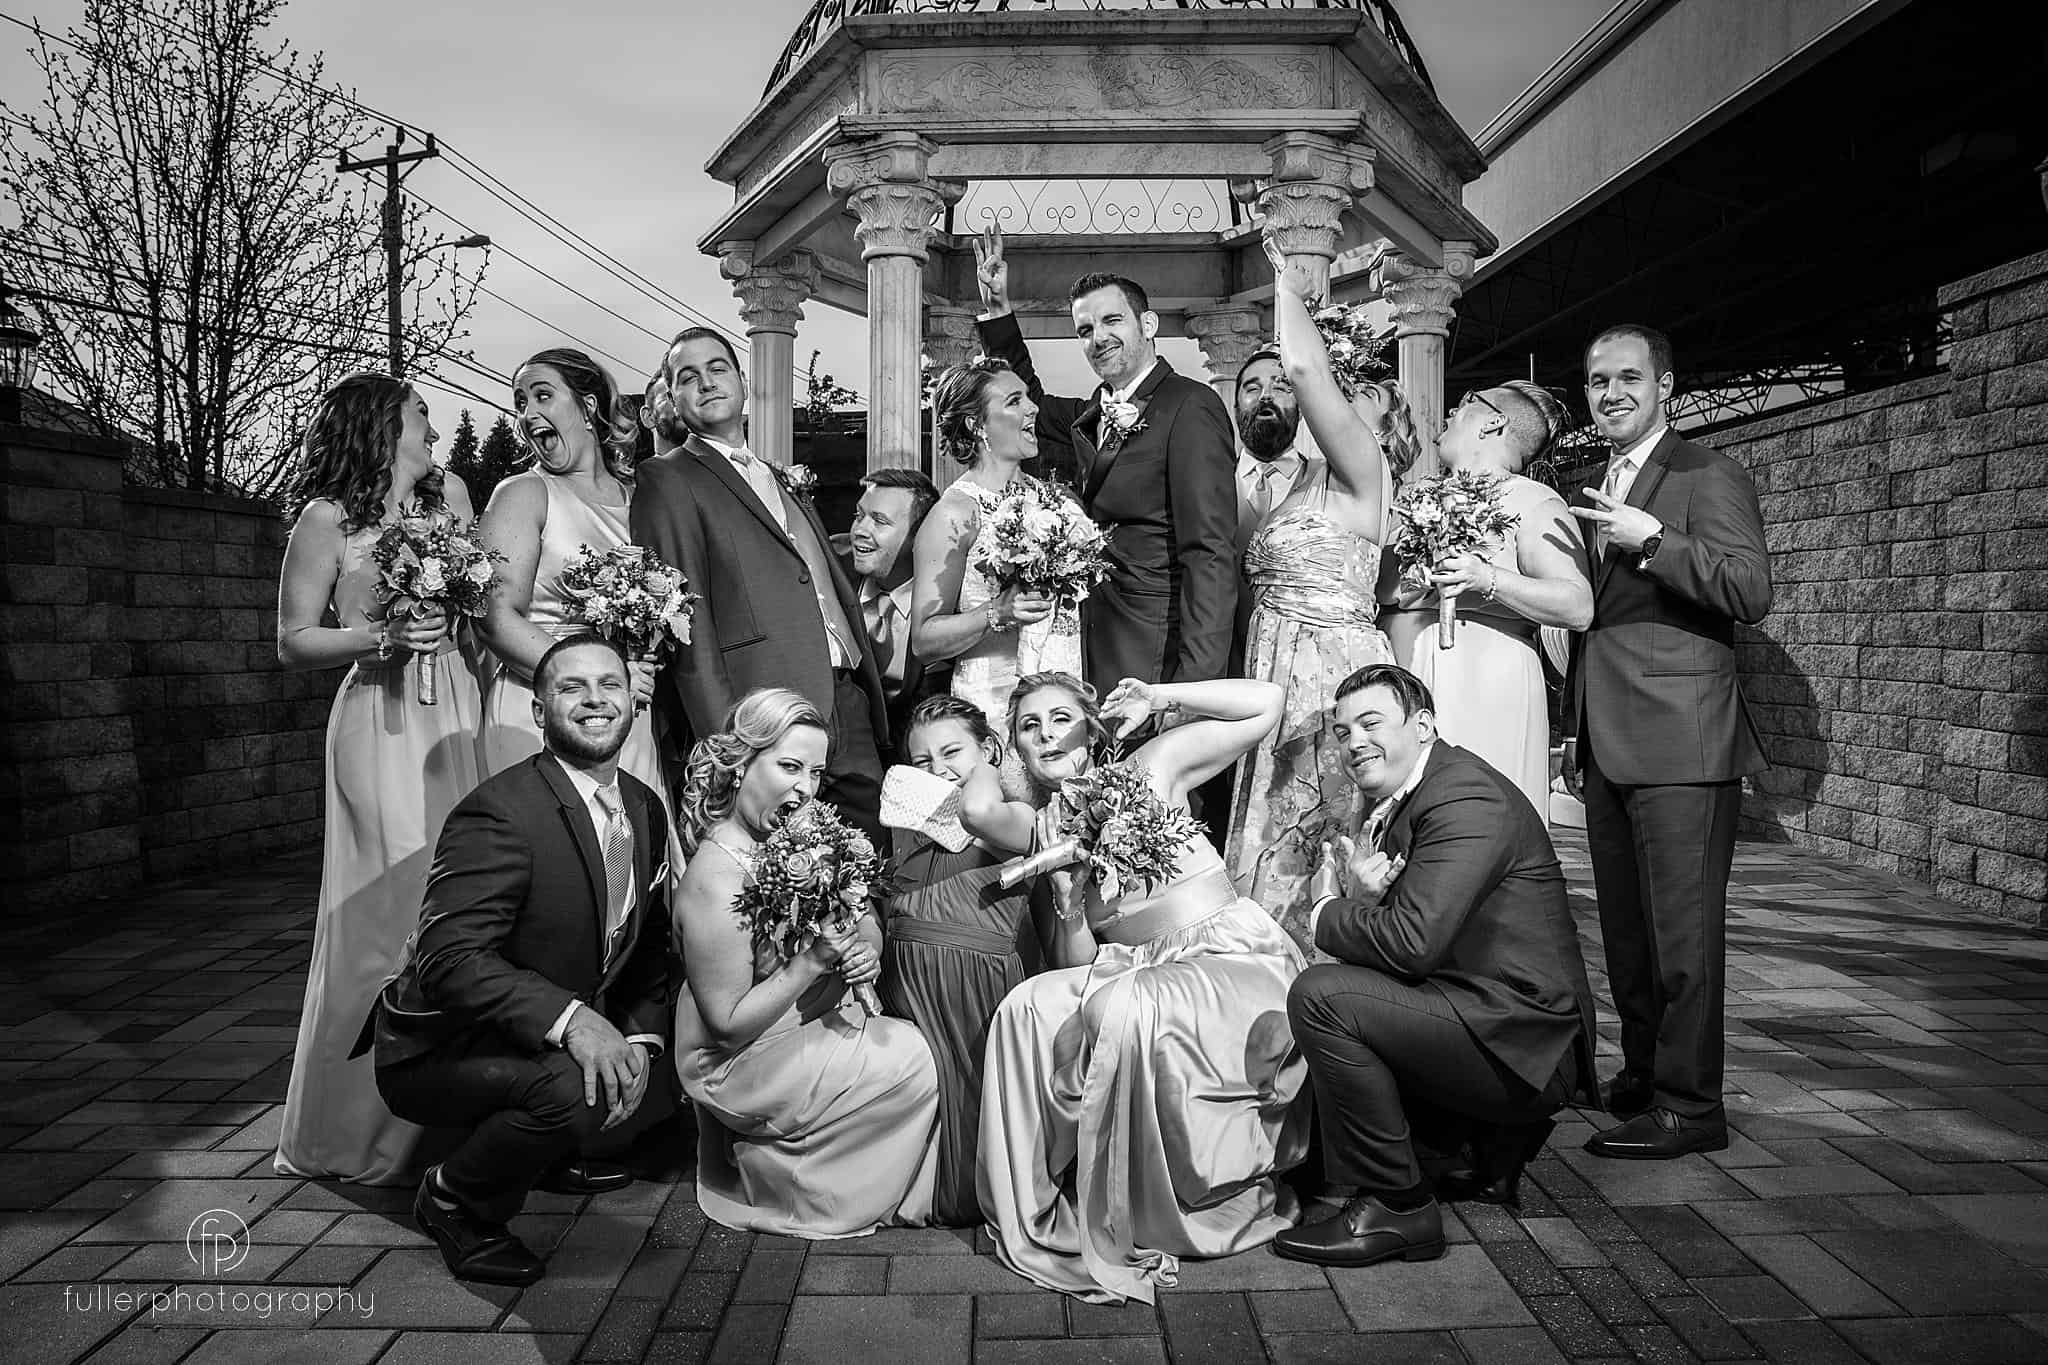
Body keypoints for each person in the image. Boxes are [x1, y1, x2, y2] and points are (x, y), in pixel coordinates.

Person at [968, 672, 1310, 1304]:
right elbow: (1081, 958)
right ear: (1015, 747)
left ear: (1092, 725)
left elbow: (1267, 704)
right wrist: (1070, 903)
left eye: (1061, 718)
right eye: (1028, 725)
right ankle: (1035, 1212)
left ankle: (1150, 1215)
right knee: (1026, 1007)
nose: (1046, 734)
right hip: (1135, 968)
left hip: (1225, 958)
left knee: (1125, 1004)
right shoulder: (1044, 829)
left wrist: (1160, 697)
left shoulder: (1151, 767)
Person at [370, 635, 674, 1285]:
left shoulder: (643, 806)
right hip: (441, 1044)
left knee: (642, 1076)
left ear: (632, 701)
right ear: (539, 712)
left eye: (610, 684)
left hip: (529, 1025)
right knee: (571, 1090)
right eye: (572, 687)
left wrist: (640, 1040)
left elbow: (650, 947)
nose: (596, 699)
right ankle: (455, 1200)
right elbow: (448, 957)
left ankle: (543, 1153)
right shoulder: (501, 812)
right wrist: (577, 1021)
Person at [1273, 664, 1598, 1267]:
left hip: (1523, 1037)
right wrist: (1364, 903)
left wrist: (1326, 910)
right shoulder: (1414, 793)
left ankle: (1399, 1207)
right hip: (1479, 1009)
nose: (1353, 743)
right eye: (1342, 733)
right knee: (1338, 1007)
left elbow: (1410, 943)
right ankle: (1472, 1150)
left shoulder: (1463, 797)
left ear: (1423, 725)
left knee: (1322, 997)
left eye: (1371, 723)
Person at [1567, 324, 1772, 1160]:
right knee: (1627, 933)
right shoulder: (1592, 483)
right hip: (1610, 740)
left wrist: (1651, 540)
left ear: (1666, 386)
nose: (1611, 393)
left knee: (1684, 937)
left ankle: (1693, 1105)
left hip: (1683, 743)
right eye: (1596, 381)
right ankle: (1648, 1074)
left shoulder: (1706, 474)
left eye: (1628, 378)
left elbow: (1749, 588)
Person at [273, 373, 482, 1187]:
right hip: (378, 718)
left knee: (457, 901)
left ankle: (446, 1117)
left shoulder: (452, 497)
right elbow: (293, 638)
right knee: (383, 912)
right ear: (382, 423)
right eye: (422, 412)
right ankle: (354, 1131)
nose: (433, 425)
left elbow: (477, 602)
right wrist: (377, 636)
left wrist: (450, 613)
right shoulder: (327, 519)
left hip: (454, 709)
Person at [670, 688, 940, 1236]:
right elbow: (726, 1026)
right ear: (741, 765)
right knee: (912, 1059)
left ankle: (819, 1164)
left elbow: (860, 910)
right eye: (789, 766)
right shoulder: (713, 880)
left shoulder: (802, 829)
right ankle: (790, 1180)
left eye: (815, 772)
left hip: (798, 1015)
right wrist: (815, 961)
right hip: (735, 1056)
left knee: (910, 1038)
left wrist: (867, 948)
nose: (805, 788)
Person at [633, 328, 889, 843]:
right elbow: (687, 620)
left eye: (718, 368)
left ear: (744, 382)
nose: (706, 383)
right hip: (762, 713)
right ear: (672, 399)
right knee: (782, 872)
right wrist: (723, 746)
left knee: (867, 856)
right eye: (688, 377)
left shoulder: (778, 474)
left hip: (846, 696)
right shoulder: (667, 478)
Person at [1224, 242, 1405, 955]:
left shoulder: (1360, 473)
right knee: (1273, 837)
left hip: (1332, 682)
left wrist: (1287, 270)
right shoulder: (1278, 492)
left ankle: (1334, 979)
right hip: (1270, 679)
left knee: (1329, 834)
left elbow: (1302, 365)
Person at [971, 227, 1237, 694]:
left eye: (1113, 321)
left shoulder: (1189, 407)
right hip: (1090, 638)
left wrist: (1194, 686)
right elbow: (1027, 402)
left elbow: (1210, 551)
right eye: (1086, 330)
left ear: (1148, 325)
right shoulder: (1090, 413)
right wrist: (999, 313)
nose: (1099, 338)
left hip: (1158, 643)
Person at [1381, 381, 1593, 820]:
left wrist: (1486, 577)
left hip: (1486, 676)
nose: (1450, 413)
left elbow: (1577, 604)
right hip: (1405, 673)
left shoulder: (1533, 500)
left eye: (1464, 404)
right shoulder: (1416, 498)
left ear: (1494, 421)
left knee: (1477, 817)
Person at [879, 695, 1048, 1226]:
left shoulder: (1014, 815)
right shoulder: (910, 821)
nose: (937, 771)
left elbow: (976, 810)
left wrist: (989, 771)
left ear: (990, 750)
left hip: (976, 991)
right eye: (922, 762)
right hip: (908, 990)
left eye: (952, 752)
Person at [477, 350, 667, 805]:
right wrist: (601, 677)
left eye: (542, 395)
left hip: (630, 713)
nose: (528, 413)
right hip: (540, 710)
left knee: (629, 858)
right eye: (521, 401)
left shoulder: (643, 498)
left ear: (588, 407)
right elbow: (493, 616)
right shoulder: (524, 492)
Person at [911, 360, 1081, 790]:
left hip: (1061, 700)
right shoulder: (953, 515)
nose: (1033, 409)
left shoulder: (1053, 501)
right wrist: (998, 611)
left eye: (1028, 397)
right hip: (994, 703)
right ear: (977, 424)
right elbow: (924, 640)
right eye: (1014, 401)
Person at [847, 466, 946, 742]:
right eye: (859, 516)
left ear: (920, 537)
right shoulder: (831, 572)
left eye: (879, 521)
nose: (860, 531)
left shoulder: (947, 600)